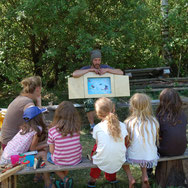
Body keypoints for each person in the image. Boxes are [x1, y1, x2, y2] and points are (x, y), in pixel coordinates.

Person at [0, 106, 52, 188]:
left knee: (40, 151)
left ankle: (38, 176)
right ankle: (48, 183)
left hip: (5, 158)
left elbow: (31, 147)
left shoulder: (25, 128)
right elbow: (32, 149)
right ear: (38, 117)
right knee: (43, 153)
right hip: (14, 161)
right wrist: (47, 144)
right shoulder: (38, 129)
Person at [72, 49, 123, 130]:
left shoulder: (105, 67)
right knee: (88, 101)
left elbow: (121, 72)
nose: (97, 62)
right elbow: (74, 74)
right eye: (95, 60)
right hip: (91, 94)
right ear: (92, 60)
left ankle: (109, 123)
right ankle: (92, 126)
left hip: (105, 93)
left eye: (99, 60)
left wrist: (107, 70)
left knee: (112, 100)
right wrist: (90, 70)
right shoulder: (86, 68)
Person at [87, 97, 128, 188]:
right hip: (119, 159)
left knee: (97, 151)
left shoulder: (97, 127)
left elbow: (98, 146)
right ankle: (111, 178)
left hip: (102, 159)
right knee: (113, 148)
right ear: (113, 109)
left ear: (98, 114)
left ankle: (93, 179)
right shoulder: (122, 125)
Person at [123, 93, 159, 188]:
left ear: (132, 106)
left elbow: (126, 142)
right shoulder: (154, 121)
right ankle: (145, 176)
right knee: (143, 149)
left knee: (121, 154)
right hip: (151, 155)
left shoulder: (128, 122)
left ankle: (130, 177)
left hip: (134, 155)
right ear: (148, 106)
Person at [1, 76, 42, 150]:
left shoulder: (20, 99)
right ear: (38, 89)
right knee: (44, 138)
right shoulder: (27, 103)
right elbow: (39, 122)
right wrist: (39, 103)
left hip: (5, 140)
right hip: (10, 144)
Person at [47, 101, 82, 188]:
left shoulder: (52, 131)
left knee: (46, 156)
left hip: (60, 160)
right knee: (65, 156)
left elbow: (52, 151)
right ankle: (63, 181)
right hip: (76, 159)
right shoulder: (77, 129)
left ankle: (64, 179)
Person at [156, 88, 187, 156]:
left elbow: (158, 135)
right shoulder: (182, 114)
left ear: (162, 101)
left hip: (165, 151)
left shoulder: (160, 116)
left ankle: (148, 166)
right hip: (181, 150)